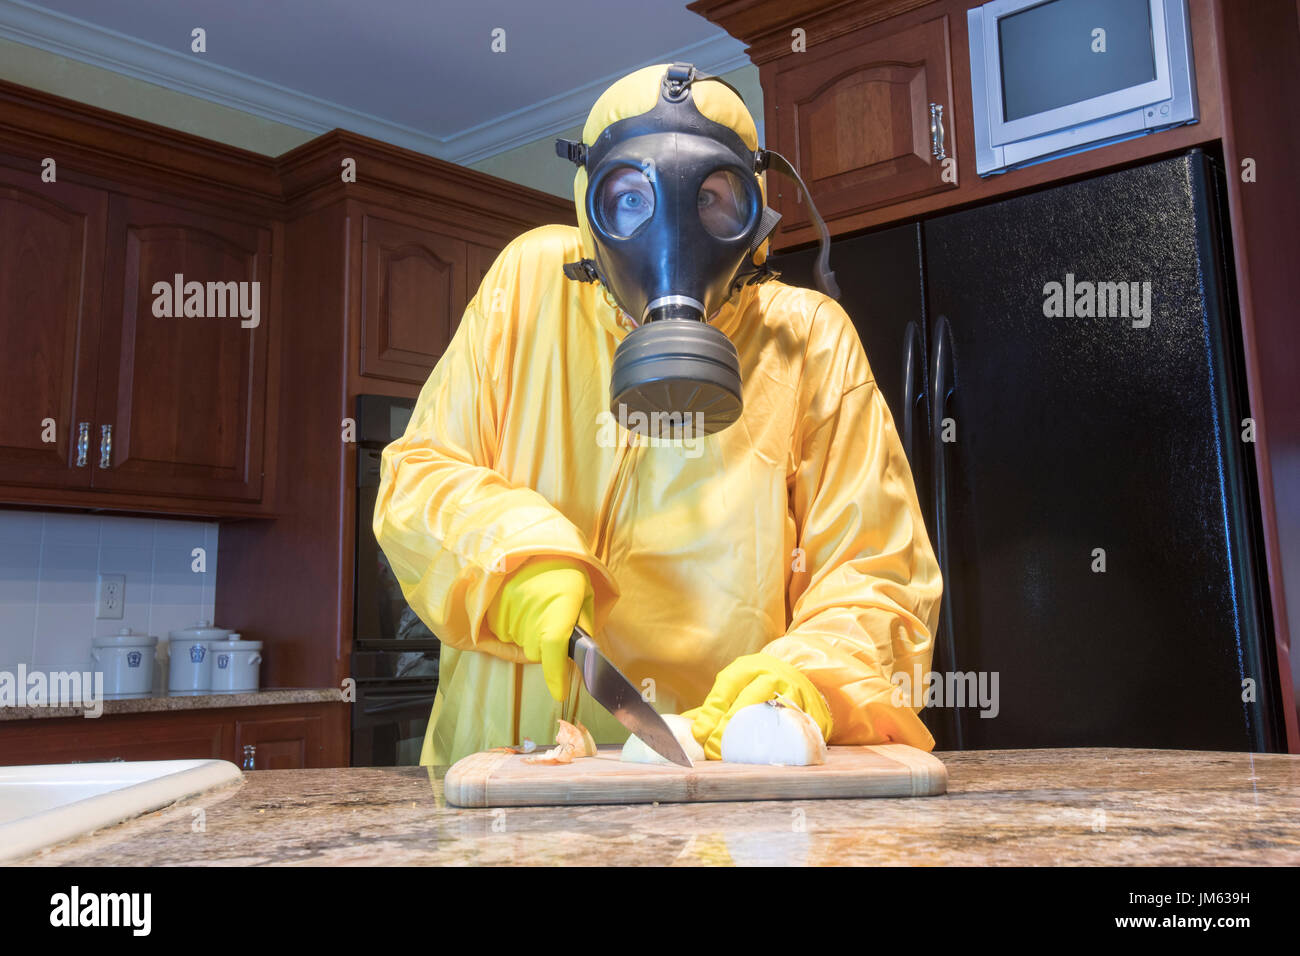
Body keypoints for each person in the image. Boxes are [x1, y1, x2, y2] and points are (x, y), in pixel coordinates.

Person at [372, 63, 943, 767]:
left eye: (711, 197)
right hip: (508, 772)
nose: (671, 231)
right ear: (590, 207)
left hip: (719, 772)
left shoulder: (806, 338)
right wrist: (514, 562)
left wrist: (800, 684)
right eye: (631, 197)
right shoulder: (529, 287)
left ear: (753, 214)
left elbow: (877, 572)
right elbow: (418, 477)